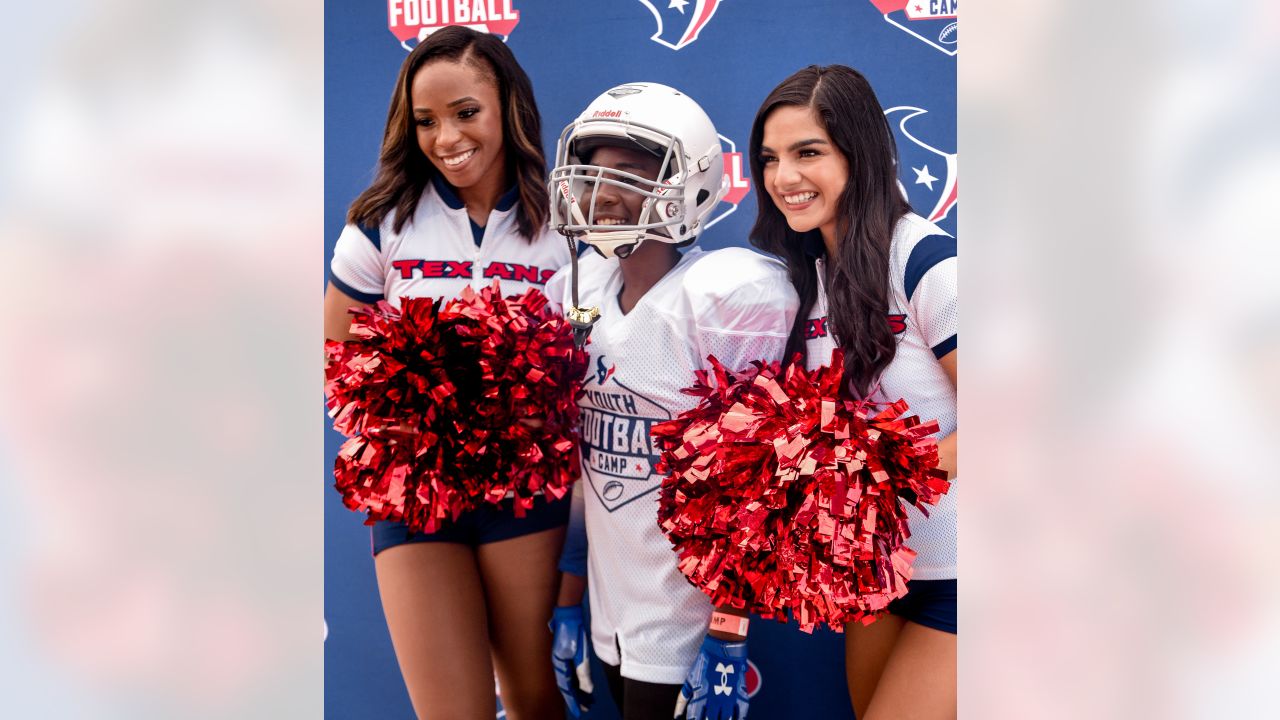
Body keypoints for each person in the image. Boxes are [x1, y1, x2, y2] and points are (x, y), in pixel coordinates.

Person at [322, 26, 571, 720]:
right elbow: (334, 358)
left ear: (508, 108)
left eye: (466, 112)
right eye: (426, 121)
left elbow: (589, 363)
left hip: (525, 489)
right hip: (416, 494)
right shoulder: (379, 224)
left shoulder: (564, 224)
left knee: (531, 697)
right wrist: (382, 418)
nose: (447, 137)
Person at [544, 82, 799, 720]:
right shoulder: (577, 290)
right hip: (610, 608)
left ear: (691, 183)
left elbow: (756, 482)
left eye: (628, 173)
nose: (603, 192)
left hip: (685, 618)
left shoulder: (728, 294)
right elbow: (586, 474)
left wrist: (729, 632)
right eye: (594, 171)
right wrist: (570, 597)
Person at [748, 65, 958, 719]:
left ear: (858, 154)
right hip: (875, 575)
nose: (785, 177)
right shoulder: (803, 280)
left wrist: (875, 480)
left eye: (808, 152)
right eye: (770, 158)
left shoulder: (926, 261)